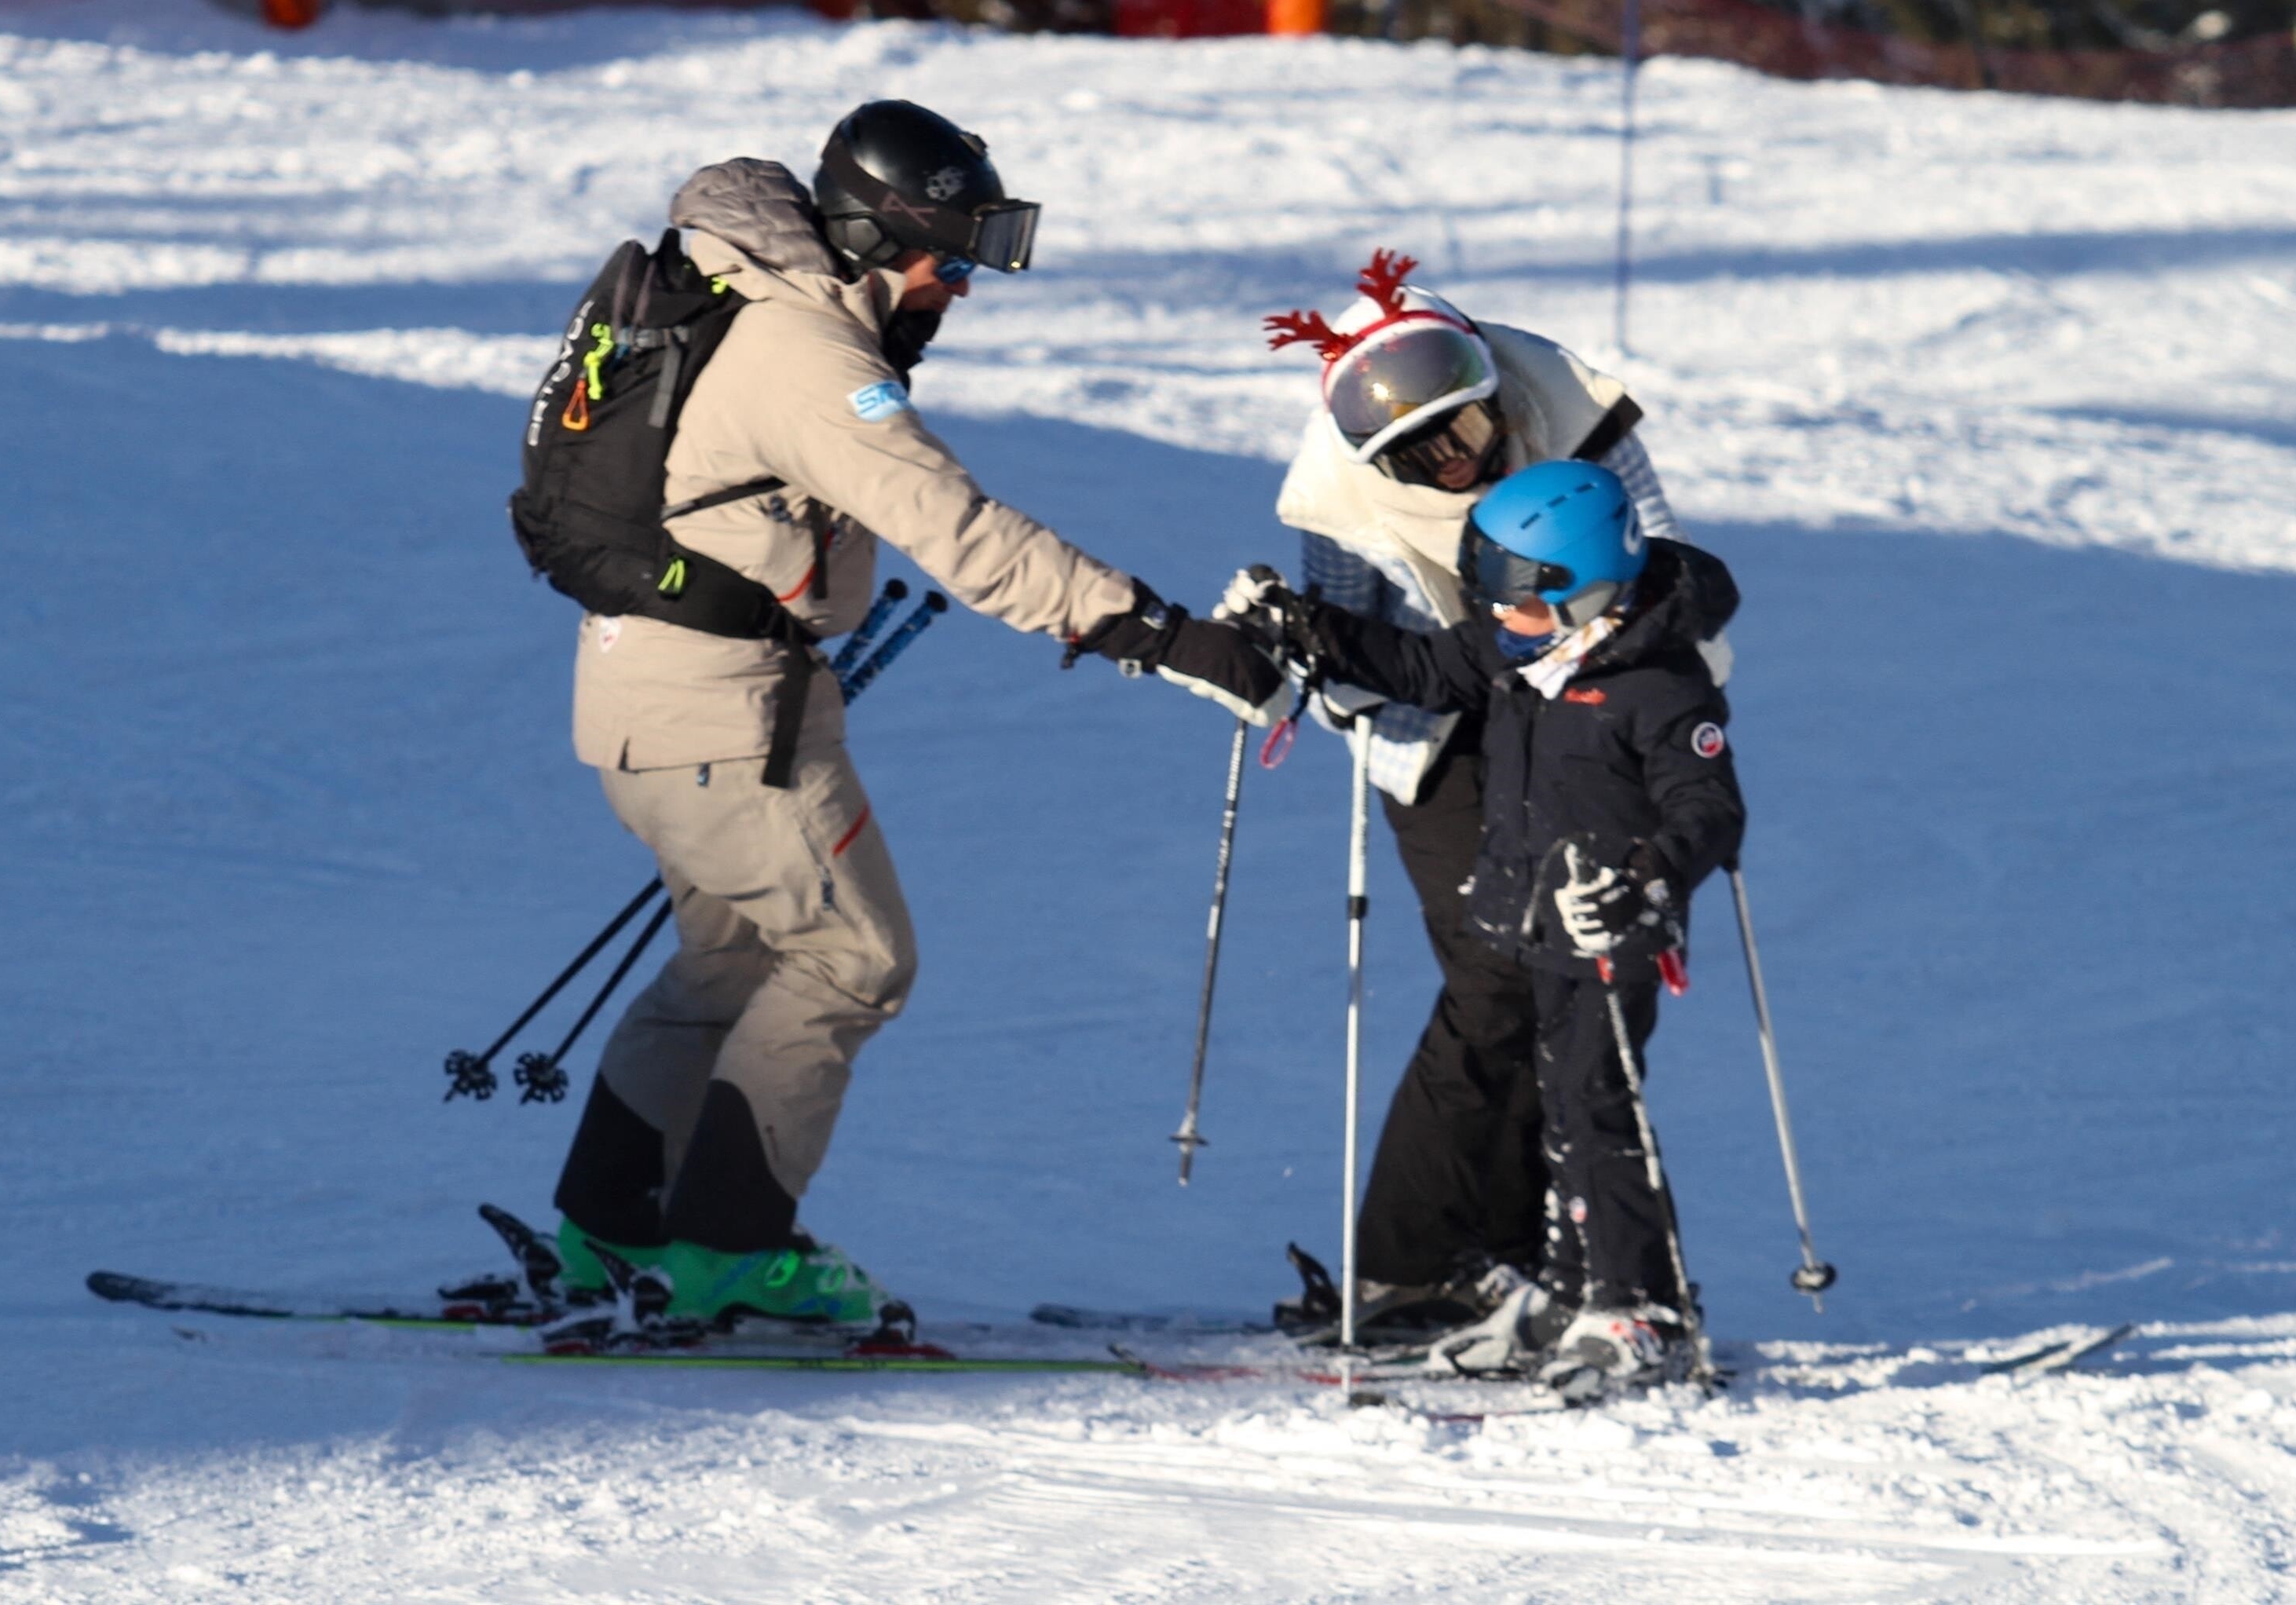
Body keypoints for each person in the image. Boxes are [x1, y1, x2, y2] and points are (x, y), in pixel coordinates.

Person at [547, 100, 1281, 1330]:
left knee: (735, 959)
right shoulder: (806, 356)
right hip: (726, 715)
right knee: (854, 957)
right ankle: (729, 1252)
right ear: (877, 237)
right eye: (954, 257)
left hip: (649, 696)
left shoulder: (751, 304)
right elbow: (964, 531)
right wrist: (1153, 629)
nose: (965, 287)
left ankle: (610, 1233)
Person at [1256, 250, 1712, 1345]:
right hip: (1441, 732)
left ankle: (1540, 1256)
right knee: (1497, 975)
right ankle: (1410, 1266)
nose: (1454, 462)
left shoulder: (1569, 411)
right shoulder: (1340, 496)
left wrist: (1641, 688)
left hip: (1585, 708)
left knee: (1576, 986)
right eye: (1419, 456)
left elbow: (1661, 557)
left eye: (1463, 429)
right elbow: (1353, 630)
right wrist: (1319, 656)